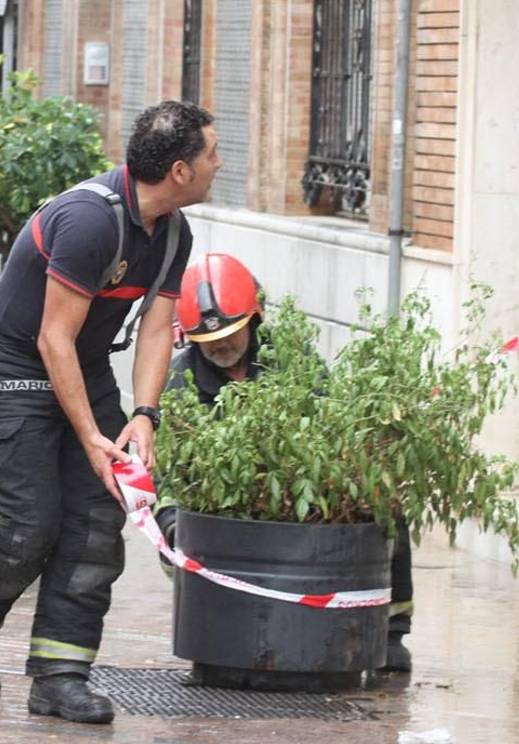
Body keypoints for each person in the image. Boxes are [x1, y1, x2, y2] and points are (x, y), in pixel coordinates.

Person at [0, 101, 219, 725]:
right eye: (211, 154)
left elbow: (155, 328)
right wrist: (91, 435)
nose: (218, 164)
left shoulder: (173, 230)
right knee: (27, 521)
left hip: (81, 370)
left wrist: (144, 413)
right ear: (178, 170)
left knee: (95, 520)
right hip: (14, 364)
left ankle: (60, 676)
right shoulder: (89, 221)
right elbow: (51, 339)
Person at [162, 253, 416, 672]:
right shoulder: (178, 383)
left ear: (254, 320)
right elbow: (166, 468)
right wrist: (174, 523)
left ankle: (390, 630)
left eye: (231, 333)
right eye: (207, 341)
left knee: (387, 505)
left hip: (294, 499)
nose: (221, 346)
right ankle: (222, 633)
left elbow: (328, 428)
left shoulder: (293, 361)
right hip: (217, 519)